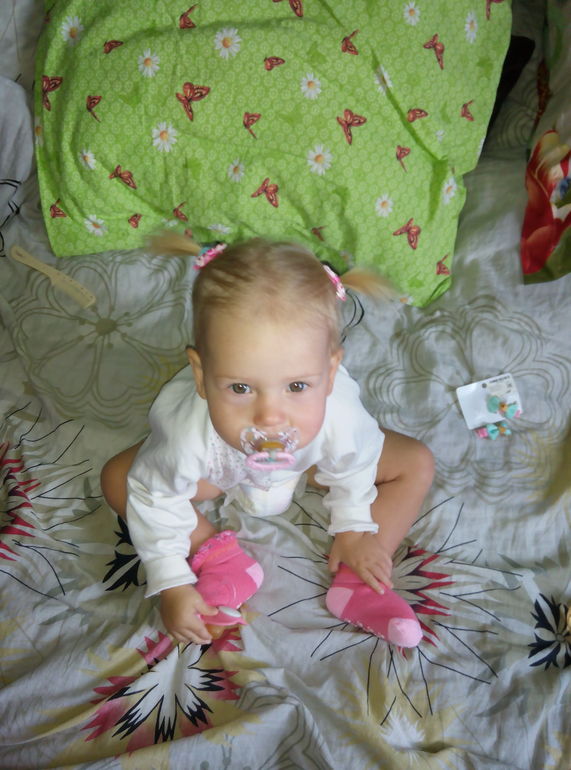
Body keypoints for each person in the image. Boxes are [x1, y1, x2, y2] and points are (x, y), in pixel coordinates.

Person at [100, 234, 435, 648]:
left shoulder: (341, 417)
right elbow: (154, 495)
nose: (270, 417)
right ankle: (216, 555)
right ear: (201, 376)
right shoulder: (187, 434)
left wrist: (353, 526)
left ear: (330, 373)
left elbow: (356, 461)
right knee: (121, 478)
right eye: (241, 387)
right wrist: (171, 579)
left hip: (309, 460)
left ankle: (359, 581)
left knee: (415, 462)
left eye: (297, 385)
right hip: (219, 466)